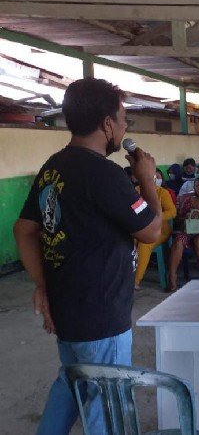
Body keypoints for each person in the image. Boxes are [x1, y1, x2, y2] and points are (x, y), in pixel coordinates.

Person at [13, 77, 162, 434]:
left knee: (72, 382)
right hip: (101, 315)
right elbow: (151, 230)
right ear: (108, 124)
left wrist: (42, 284)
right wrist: (148, 180)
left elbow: (24, 230)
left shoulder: (54, 166)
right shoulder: (104, 174)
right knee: (106, 408)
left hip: (69, 311)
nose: (125, 126)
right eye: (123, 119)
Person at [134, 173, 177, 290]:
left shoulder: (162, 192)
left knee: (145, 243)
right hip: (139, 227)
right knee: (124, 241)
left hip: (160, 229)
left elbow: (172, 212)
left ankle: (135, 280)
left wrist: (156, 217)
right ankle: (123, 276)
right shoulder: (135, 191)